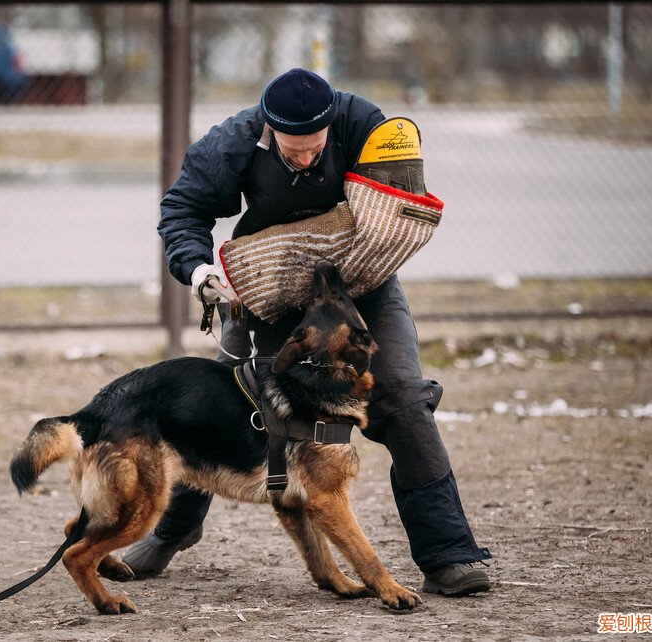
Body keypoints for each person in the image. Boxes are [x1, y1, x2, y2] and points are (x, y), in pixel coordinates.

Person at [129, 68, 491, 596]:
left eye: (314, 148)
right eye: (291, 150)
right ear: (268, 129)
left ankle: (448, 553)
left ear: (330, 126)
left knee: (405, 401)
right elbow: (182, 209)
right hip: (273, 286)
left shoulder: (362, 123)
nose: (303, 158)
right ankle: (172, 532)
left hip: (362, 285)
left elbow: (401, 203)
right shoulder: (234, 141)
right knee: (227, 398)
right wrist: (199, 270)